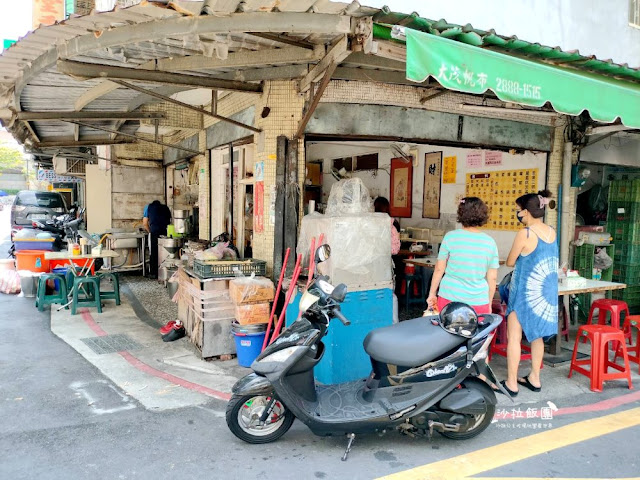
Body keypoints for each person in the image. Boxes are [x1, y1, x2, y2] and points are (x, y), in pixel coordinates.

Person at [501, 190, 558, 397]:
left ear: (526, 212)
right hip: (543, 294)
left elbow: (509, 261)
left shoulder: (525, 233)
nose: (518, 214)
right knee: (537, 336)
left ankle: (511, 383)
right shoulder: (551, 231)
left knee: (514, 337)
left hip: (525, 292)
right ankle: (534, 377)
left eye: (518, 210)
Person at [427, 197, 499, 316]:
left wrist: (432, 294)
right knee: (474, 333)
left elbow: (439, 269)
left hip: (449, 297)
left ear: (460, 214)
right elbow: (493, 278)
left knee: (446, 332)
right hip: (478, 301)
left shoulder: (450, 237)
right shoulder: (490, 242)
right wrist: (489, 303)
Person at [143, 200, 172, 279]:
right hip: (165, 232)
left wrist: (150, 231)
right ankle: (165, 273)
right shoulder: (165, 207)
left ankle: (154, 273)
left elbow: (145, 224)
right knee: (164, 252)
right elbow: (169, 221)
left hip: (154, 232)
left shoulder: (148, 207)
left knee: (154, 252)